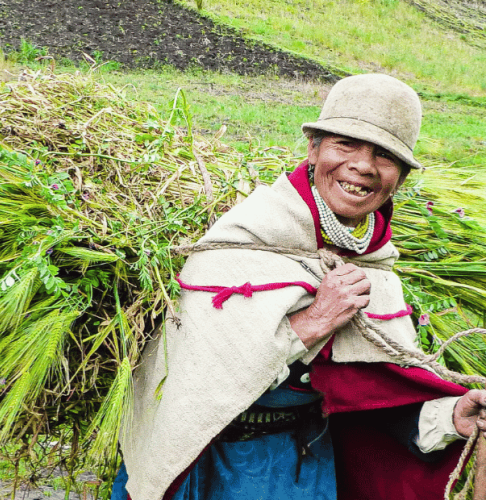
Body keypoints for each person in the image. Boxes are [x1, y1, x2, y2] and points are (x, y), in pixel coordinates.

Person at [114, 74, 486, 500]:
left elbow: (372, 399)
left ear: (399, 178)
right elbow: (200, 382)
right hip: (208, 467)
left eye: (385, 156)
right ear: (313, 149)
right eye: (345, 144)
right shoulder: (242, 242)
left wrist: (451, 417)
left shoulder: (378, 272)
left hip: (305, 469)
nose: (363, 166)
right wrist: (315, 320)